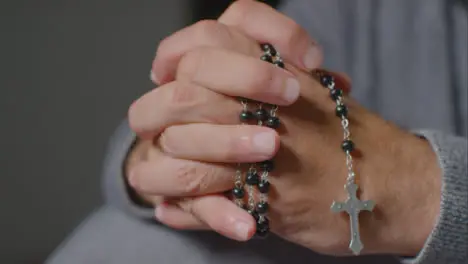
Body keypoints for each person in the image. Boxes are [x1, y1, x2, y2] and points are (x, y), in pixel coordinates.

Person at [47, 0, 467, 263]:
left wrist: (420, 186)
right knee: (140, 242)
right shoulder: (359, 10)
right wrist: (169, 144)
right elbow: (128, 152)